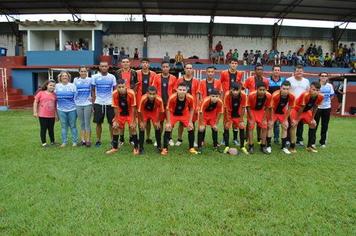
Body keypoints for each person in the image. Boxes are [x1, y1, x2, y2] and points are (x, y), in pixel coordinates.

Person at [161, 82, 197, 155]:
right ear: (177, 90)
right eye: (180, 89)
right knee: (168, 127)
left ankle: (191, 148)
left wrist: (190, 121)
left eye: (184, 90)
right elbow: (167, 109)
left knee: (190, 127)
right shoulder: (172, 97)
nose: (182, 91)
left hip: (184, 114)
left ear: (186, 91)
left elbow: (192, 109)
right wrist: (168, 122)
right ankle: (165, 148)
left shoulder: (190, 98)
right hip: (173, 113)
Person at [106, 79, 139, 154]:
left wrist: (134, 121)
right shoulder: (114, 94)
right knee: (115, 127)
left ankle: (136, 148)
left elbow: (133, 107)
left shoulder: (131, 93)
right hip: (120, 113)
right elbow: (115, 107)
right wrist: (116, 120)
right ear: (117, 87)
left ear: (126, 86)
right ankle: (115, 147)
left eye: (122, 87)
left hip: (130, 113)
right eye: (119, 87)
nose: (121, 89)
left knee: (133, 127)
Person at [289, 81, 323, 153]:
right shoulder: (305, 95)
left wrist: (312, 118)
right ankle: (292, 146)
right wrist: (297, 120)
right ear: (310, 89)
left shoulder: (320, 96)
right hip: (296, 110)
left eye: (317, 90)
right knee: (294, 125)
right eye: (313, 90)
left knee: (313, 124)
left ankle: (309, 146)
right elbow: (301, 108)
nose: (315, 92)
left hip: (306, 111)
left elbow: (315, 107)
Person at [152, 61, 177, 146]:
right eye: (164, 66)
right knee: (159, 122)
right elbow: (153, 90)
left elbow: (174, 92)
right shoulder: (156, 77)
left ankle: (169, 138)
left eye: (167, 66)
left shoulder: (173, 78)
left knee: (170, 122)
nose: (165, 68)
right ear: (161, 68)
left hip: (169, 105)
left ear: (169, 68)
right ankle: (158, 139)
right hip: (159, 105)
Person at [91, 61, 117, 147]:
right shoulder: (94, 77)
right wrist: (94, 102)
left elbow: (115, 90)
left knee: (111, 123)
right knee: (98, 123)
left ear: (108, 67)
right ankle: (98, 140)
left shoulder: (112, 77)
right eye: (102, 66)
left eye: (105, 66)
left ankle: (112, 140)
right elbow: (93, 90)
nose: (104, 68)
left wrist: (114, 102)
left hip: (110, 103)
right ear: (99, 67)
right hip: (98, 102)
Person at [219, 59, 244, 145]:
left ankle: (235, 138)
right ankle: (224, 138)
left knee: (236, 118)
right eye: (232, 63)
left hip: (236, 98)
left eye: (235, 63)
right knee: (226, 119)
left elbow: (240, 84)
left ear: (237, 65)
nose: (234, 65)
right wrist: (222, 97)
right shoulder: (224, 73)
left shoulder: (240, 73)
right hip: (227, 99)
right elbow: (220, 84)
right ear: (229, 64)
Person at [175, 63, 200, 146]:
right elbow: (176, 92)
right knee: (181, 123)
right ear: (184, 69)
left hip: (192, 105)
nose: (189, 70)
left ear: (192, 70)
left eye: (190, 68)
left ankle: (193, 140)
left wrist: (197, 106)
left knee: (192, 123)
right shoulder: (179, 80)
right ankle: (179, 139)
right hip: (182, 105)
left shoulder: (196, 81)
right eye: (187, 68)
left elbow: (197, 94)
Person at [268, 81, 295, 154]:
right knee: (270, 126)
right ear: (281, 88)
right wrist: (271, 119)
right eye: (284, 88)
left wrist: (285, 120)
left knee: (285, 126)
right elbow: (271, 108)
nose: (286, 91)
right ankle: (268, 146)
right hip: (273, 111)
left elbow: (289, 108)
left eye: (287, 89)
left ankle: (284, 147)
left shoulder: (292, 96)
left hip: (282, 111)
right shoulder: (275, 95)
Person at [223, 82, 249, 155]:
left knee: (242, 126)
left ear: (240, 90)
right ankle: (227, 146)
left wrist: (241, 120)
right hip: (229, 114)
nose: (235, 92)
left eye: (237, 90)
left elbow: (243, 108)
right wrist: (228, 120)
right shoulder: (227, 95)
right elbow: (227, 109)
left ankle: (242, 146)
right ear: (230, 89)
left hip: (238, 114)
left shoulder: (244, 95)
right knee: (227, 126)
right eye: (233, 90)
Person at [246, 81, 272, 154]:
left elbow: (267, 107)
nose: (262, 91)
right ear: (257, 89)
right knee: (251, 126)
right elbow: (248, 106)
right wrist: (251, 118)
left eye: (264, 90)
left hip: (261, 111)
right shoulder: (251, 95)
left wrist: (264, 119)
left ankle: (263, 146)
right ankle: (251, 146)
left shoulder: (269, 96)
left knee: (264, 126)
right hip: (252, 110)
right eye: (260, 90)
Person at [287, 65, 310, 146]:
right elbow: (286, 91)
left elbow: (308, 92)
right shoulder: (289, 80)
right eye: (297, 71)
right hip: (292, 105)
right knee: (291, 123)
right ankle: (288, 140)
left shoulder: (306, 81)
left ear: (303, 72)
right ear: (294, 72)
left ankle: (299, 139)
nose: (299, 72)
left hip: (302, 105)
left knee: (300, 123)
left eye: (300, 71)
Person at [138, 86, 165, 154]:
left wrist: (158, 121)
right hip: (144, 112)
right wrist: (141, 122)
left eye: (153, 94)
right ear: (147, 93)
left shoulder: (159, 99)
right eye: (150, 94)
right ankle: (141, 147)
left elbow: (161, 111)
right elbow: (139, 111)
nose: (152, 96)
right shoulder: (143, 98)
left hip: (154, 112)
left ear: (156, 94)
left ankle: (159, 146)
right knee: (142, 127)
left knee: (157, 127)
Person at [136, 58, 157, 144]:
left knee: (148, 120)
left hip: (150, 100)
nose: (145, 64)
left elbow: (155, 87)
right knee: (140, 119)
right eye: (143, 63)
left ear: (149, 64)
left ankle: (148, 137)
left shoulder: (153, 74)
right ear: (141, 64)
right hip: (139, 99)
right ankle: (140, 137)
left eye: (146, 63)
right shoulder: (136, 73)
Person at [55, 71, 78, 147]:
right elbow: (54, 98)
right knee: (63, 126)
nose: (64, 77)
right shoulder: (57, 86)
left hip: (72, 109)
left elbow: (76, 98)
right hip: (61, 109)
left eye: (66, 76)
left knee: (73, 126)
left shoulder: (72, 86)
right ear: (60, 77)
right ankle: (64, 142)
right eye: (63, 76)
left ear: (68, 77)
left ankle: (74, 141)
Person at [197, 89, 223, 154]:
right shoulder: (205, 101)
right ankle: (199, 146)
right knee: (201, 128)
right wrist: (202, 123)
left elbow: (220, 113)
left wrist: (216, 124)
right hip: (203, 114)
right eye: (213, 96)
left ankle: (215, 145)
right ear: (210, 96)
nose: (215, 98)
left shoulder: (220, 102)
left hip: (212, 114)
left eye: (217, 96)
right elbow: (200, 112)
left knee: (215, 128)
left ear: (219, 97)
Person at [33, 79, 57, 147]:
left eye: (53, 86)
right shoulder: (41, 93)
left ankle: (52, 141)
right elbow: (35, 102)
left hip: (51, 116)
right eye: (50, 85)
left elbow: (55, 106)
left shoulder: (54, 95)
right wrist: (35, 112)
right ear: (46, 85)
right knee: (43, 129)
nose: (52, 87)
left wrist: (56, 115)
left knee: (51, 129)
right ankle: (44, 143)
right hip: (43, 115)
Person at [313, 72, 334, 148]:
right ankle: (312, 142)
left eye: (325, 76)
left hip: (327, 108)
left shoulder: (330, 86)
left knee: (325, 125)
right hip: (317, 108)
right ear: (319, 77)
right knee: (315, 124)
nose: (324, 77)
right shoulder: (316, 85)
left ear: (327, 78)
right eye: (322, 76)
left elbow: (332, 95)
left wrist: (326, 102)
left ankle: (323, 142)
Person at [73, 66, 92, 147]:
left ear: (87, 72)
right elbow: (74, 91)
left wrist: (92, 100)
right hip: (78, 104)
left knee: (87, 122)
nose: (83, 73)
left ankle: (88, 140)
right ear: (79, 72)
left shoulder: (90, 80)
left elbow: (92, 90)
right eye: (82, 71)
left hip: (88, 103)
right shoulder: (75, 80)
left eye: (85, 71)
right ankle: (82, 140)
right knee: (82, 123)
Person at [267, 65, 285, 144]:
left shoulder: (283, 80)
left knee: (277, 123)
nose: (277, 71)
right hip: (269, 105)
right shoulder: (267, 80)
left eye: (278, 70)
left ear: (280, 71)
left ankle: (276, 138)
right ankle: (267, 138)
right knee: (269, 121)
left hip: (279, 105)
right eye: (275, 70)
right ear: (272, 71)